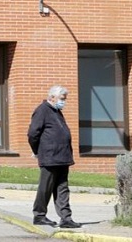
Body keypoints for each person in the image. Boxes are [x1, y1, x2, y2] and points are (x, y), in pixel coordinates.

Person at [27, 85, 81, 228]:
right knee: (46, 187)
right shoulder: (42, 110)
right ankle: (39, 215)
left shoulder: (57, 112)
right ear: (52, 97)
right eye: (62, 99)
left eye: (64, 99)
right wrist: (36, 150)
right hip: (50, 157)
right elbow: (33, 133)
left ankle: (66, 218)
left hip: (62, 157)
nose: (64, 102)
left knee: (62, 188)